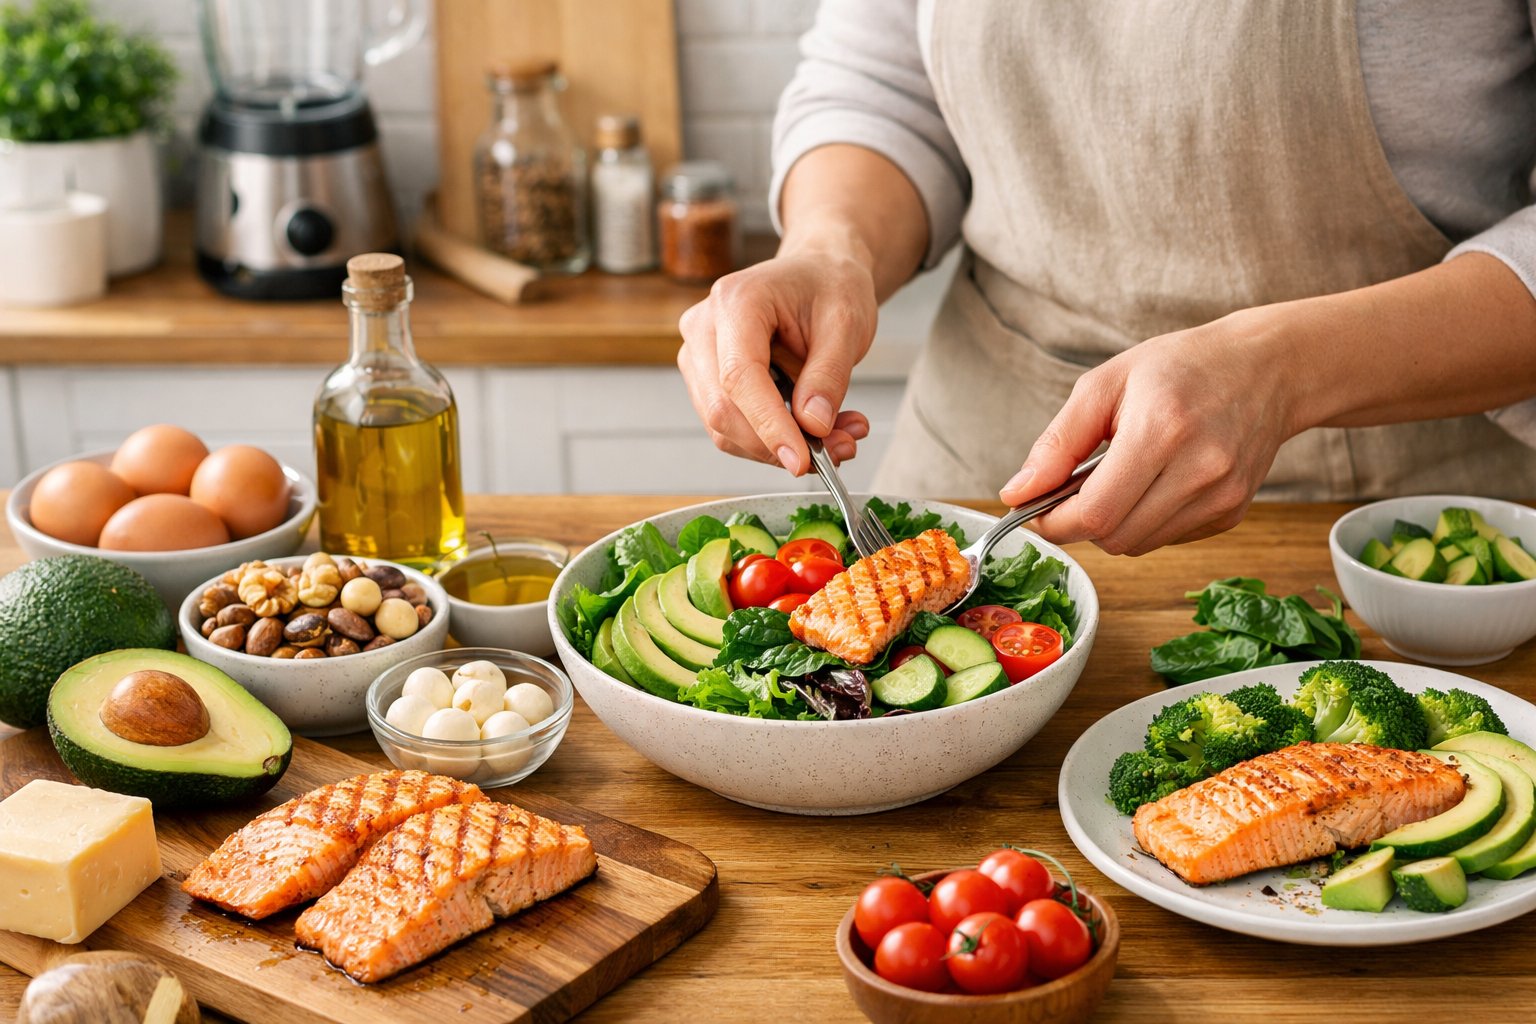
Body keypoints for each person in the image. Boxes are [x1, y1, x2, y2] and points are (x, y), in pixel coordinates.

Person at [676, 0, 1536, 556]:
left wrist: (1283, 368)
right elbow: (881, 86)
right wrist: (831, 247)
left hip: (1395, 529)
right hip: (981, 461)